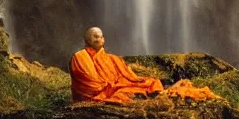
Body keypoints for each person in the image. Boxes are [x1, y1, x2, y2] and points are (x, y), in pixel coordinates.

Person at [69, 26, 222, 103]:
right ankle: (156, 95)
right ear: (87, 40)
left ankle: (158, 93)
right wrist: (111, 86)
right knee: (124, 93)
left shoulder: (113, 58)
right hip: (105, 91)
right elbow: (87, 84)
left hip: (116, 86)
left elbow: (129, 76)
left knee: (149, 82)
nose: (100, 39)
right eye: (95, 37)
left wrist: (120, 83)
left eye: (101, 37)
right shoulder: (80, 57)